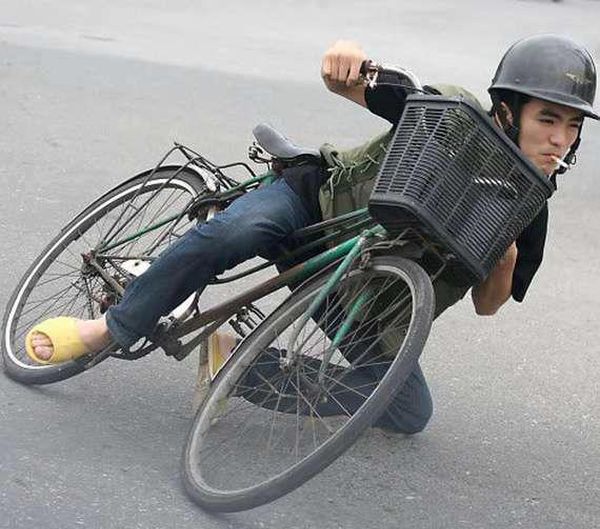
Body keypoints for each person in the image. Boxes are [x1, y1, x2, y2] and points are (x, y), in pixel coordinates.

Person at [26, 35, 598, 433]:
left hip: (354, 287)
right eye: (547, 119)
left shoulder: (529, 205)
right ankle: (108, 328)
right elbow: (362, 86)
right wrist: (344, 63)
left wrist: (504, 258)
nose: (560, 139)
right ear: (507, 110)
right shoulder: (454, 114)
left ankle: (232, 362)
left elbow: (488, 305)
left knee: (408, 412)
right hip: (312, 208)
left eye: (572, 126)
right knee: (237, 231)